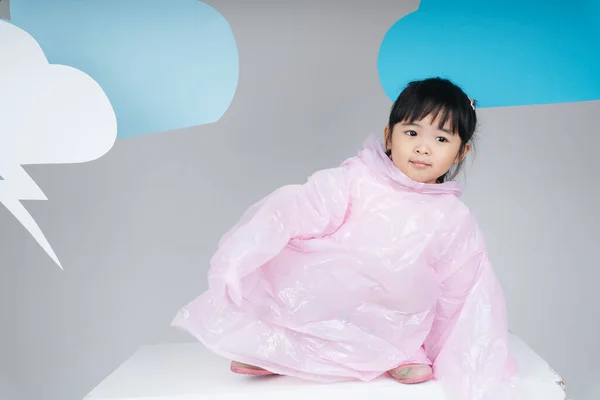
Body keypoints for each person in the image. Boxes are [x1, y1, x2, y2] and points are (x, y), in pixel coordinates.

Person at [172, 77, 518, 399]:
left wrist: (454, 353)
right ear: (388, 136)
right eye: (412, 133)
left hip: (397, 315)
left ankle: (403, 351)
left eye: (441, 139)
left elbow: (459, 292)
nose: (423, 148)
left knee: (415, 291)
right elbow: (298, 206)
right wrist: (246, 249)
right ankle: (278, 344)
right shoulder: (356, 180)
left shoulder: (453, 218)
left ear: (461, 153)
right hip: (331, 298)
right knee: (307, 271)